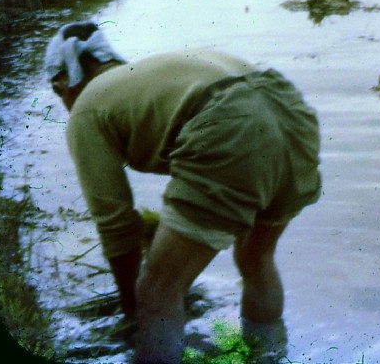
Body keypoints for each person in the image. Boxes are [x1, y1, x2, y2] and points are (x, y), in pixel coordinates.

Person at [46, 22, 320, 364]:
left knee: (158, 291)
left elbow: (115, 224)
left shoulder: (87, 108)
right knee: (256, 259)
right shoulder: (142, 75)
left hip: (229, 121)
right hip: (290, 110)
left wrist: (134, 312)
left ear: (62, 85)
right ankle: (268, 357)